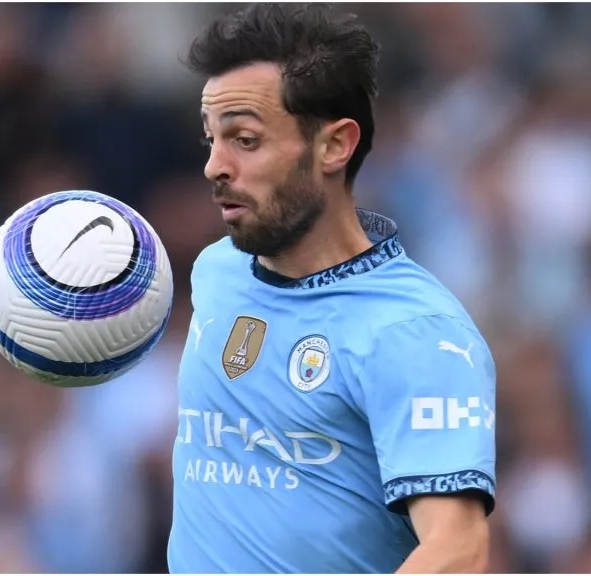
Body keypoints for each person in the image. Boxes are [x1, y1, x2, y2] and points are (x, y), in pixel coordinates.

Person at [170, 4, 496, 573]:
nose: (215, 167)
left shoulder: (414, 332)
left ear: (334, 146)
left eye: (245, 140)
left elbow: (458, 549)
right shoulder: (217, 271)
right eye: (211, 141)